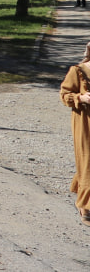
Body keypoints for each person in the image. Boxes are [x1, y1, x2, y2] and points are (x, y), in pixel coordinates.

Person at [58, 41, 90, 225]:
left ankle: (82, 192)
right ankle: (85, 206)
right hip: (85, 124)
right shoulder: (78, 71)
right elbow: (64, 95)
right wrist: (81, 97)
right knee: (87, 161)